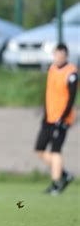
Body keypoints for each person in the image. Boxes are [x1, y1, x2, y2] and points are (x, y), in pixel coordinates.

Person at [35, 43, 77, 195]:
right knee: (40, 149)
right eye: (56, 54)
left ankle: (56, 184)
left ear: (65, 55)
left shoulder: (71, 73)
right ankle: (64, 174)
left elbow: (71, 99)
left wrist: (63, 117)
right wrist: (46, 114)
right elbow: (49, 94)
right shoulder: (52, 69)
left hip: (62, 119)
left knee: (56, 150)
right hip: (49, 117)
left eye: (61, 55)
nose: (58, 57)